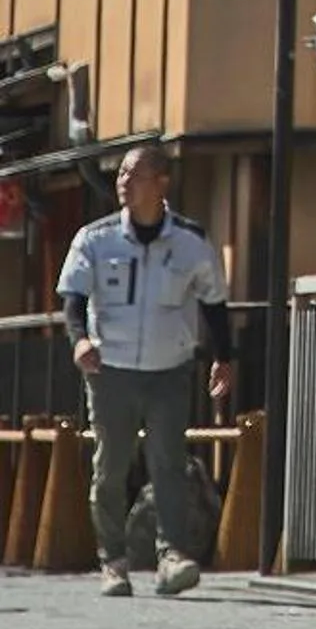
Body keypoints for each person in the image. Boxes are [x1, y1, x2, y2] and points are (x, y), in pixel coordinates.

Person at [56, 148, 237, 597]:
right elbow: (73, 299)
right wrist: (79, 340)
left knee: (169, 464)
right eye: (121, 174)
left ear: (162, 182)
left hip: (169, 369)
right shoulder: (95, 239)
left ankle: (171, 556)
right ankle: (113, 561)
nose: (124, 182)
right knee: (111, 467)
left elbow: (214, 303)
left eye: (135, 175)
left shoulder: (190, 241)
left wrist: (224, 356)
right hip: (110, 369)